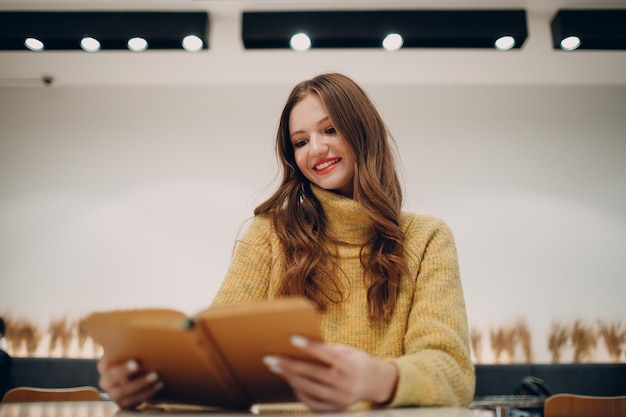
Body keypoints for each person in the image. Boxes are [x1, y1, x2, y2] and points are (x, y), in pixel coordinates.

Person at [97, 73, 475, 412]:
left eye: (330, 130)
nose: (315, 150)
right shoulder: (269, 234)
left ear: (362, 132)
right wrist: (144, 387)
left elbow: (453, 374)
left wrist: (376, 378)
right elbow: (214, 364)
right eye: (300, 141)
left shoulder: (426, 238)